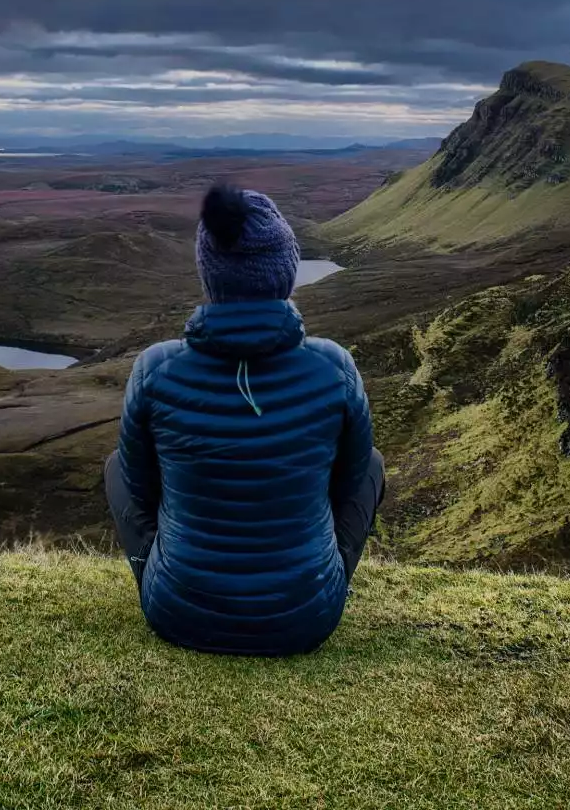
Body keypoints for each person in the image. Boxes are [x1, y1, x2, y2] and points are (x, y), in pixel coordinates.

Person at [104, 183, 386, 656]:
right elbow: (350, 478)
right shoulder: (333, 366)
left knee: (118, 467)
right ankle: (313, 578)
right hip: (307, 617)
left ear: (209, 276)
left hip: (178, 613)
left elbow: (140, 486)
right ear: (286, 273)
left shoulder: (155, 367)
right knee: (371, 465)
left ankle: (169, 572)